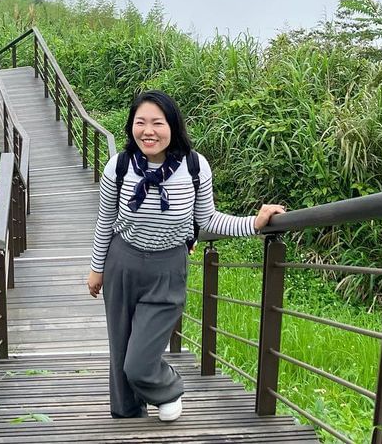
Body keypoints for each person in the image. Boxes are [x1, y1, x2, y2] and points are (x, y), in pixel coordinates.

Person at [86, 90, 286, 422]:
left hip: (167, 268)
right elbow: (105, 221)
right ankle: (127, 417)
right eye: (140, 123)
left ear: (173, 126)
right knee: (119, 348)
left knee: (138, 360)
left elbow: (208, 220)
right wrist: (97, 269)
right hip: (122, 262)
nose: (148, 131)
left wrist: (255, 223)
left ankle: (167, 388)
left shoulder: (195, 167)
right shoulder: (118, 167)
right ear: (130, 127)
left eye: (157, 123)